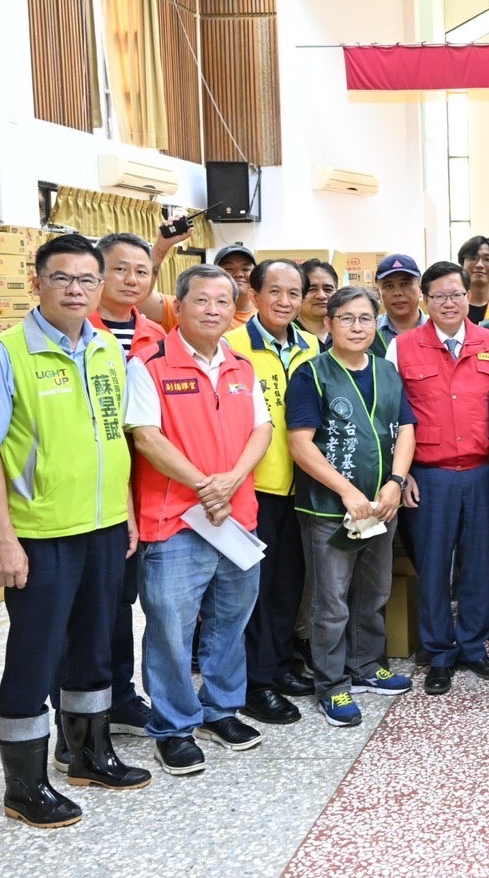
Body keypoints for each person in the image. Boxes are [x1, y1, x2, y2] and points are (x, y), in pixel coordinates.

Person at [0, 234, 149, 829]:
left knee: (96, 646)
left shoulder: (106, 349)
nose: (76, 290)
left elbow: (112, 436)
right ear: (37, 282)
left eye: (86, 279)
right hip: (40, 533)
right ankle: (24, 786)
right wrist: (4, 538)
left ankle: (89, 755)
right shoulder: (4, 354)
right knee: (35, 654)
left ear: (99, 287)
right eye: (62, 278)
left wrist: (124, 508)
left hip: (103, 528)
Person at [127, 264, 273, 776]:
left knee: (231, 620)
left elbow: (262, 430)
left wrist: (230, 481)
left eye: (222, 302)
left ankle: (221, 709)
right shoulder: (148, 364)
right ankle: (173, 726)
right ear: (179, 306)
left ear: (234, 309)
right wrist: (206, 485)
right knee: (171, 627)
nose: (213, 310)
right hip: (175, 521)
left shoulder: (241, 366)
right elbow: (146, 436)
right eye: (201, 300)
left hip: (236, 518)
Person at [287, 287, 417, 727]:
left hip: (381, 506)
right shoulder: (312, 374)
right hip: (331, 509)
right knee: (331, 602)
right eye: (346, 318)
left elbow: (406, 429)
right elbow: (300, 444)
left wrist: (396, 483)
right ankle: (331, 684)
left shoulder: (386, 371)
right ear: (329, 324)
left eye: (365, 318)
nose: (357, 327)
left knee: (374, 591)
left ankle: (365, 666)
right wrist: (346, 491)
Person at [385, 261, 489, 695]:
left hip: (482, 472)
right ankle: (439, 653)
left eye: (456, 294)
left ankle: (474, 648)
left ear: (468, 295)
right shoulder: (402, 347)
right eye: (438, 295)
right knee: (434, 566)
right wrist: (401, 474)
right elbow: (392, 417)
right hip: (429, 474)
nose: (449, 302)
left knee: (478, 564)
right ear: (425, 300)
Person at [226, 260, 319, 726]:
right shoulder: (232, 345)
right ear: (255, 294)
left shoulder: (311, 346)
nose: (285, 301)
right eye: (275, 291)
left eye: (294, 293)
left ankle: (280, 667)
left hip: (301, 486)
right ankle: (255, 684)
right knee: (255, 590)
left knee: (288, 584)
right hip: (253, 486)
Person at [87, 233, 167, 738]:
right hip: (93, 490)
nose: (131, 279)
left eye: (141, 270)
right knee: (91, 608)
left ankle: (120, 696)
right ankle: (86, 709)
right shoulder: (78, 330)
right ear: (98, 273)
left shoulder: (156, 336)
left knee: (124, 600)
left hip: (146, 488)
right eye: (120, 269)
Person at [144, 223, 258, 331]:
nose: (239, 274)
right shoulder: (187, 307)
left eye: (246, 269)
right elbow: (143, 299)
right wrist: (162, 246)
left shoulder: (264, 315)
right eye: (229, 269)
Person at [377, 254, 427, 347]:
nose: (397, 293)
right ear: (379, 294)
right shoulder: (369, 330)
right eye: (389, 286)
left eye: (405, 284)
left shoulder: (439, 328)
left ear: (420, 288)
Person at [458, 235, 489, 325]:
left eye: (487, 259)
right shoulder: (450, 307)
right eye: (472, 258)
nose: (479, 265)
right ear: (462, 265)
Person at [297, 259, 339, 347]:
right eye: (312, 289)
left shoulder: (347, 335)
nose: (321, 296)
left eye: (328, 289)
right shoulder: (286, 336)